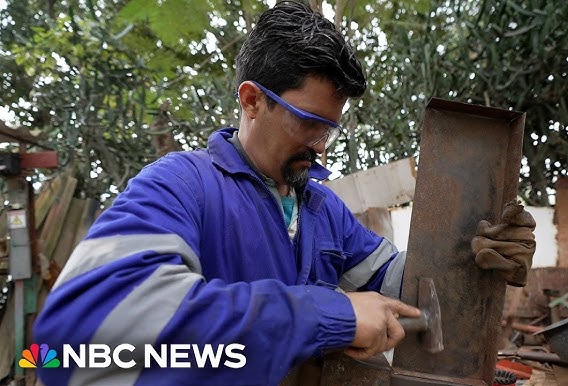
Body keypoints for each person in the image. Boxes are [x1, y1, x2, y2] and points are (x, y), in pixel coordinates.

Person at [33, 2, 535, 385]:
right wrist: (330, 315)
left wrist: (471, 257)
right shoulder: (182, 185)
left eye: (330, 130)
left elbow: (403, 283)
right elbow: (74, 339)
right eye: (309, 123)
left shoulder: (322, 209)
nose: (319, 146)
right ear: (252, 100)